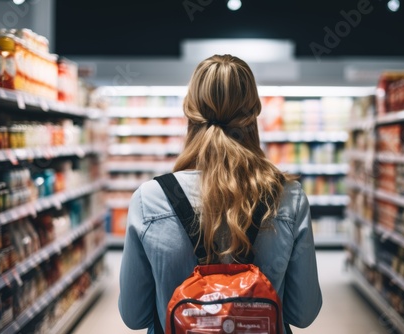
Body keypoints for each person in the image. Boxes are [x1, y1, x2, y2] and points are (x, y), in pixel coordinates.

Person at [118, 54, 322, 333]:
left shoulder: (150, 199)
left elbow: (134, 316)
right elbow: (303, 312)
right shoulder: (289, 197)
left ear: (190, 112)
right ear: (253, 114)